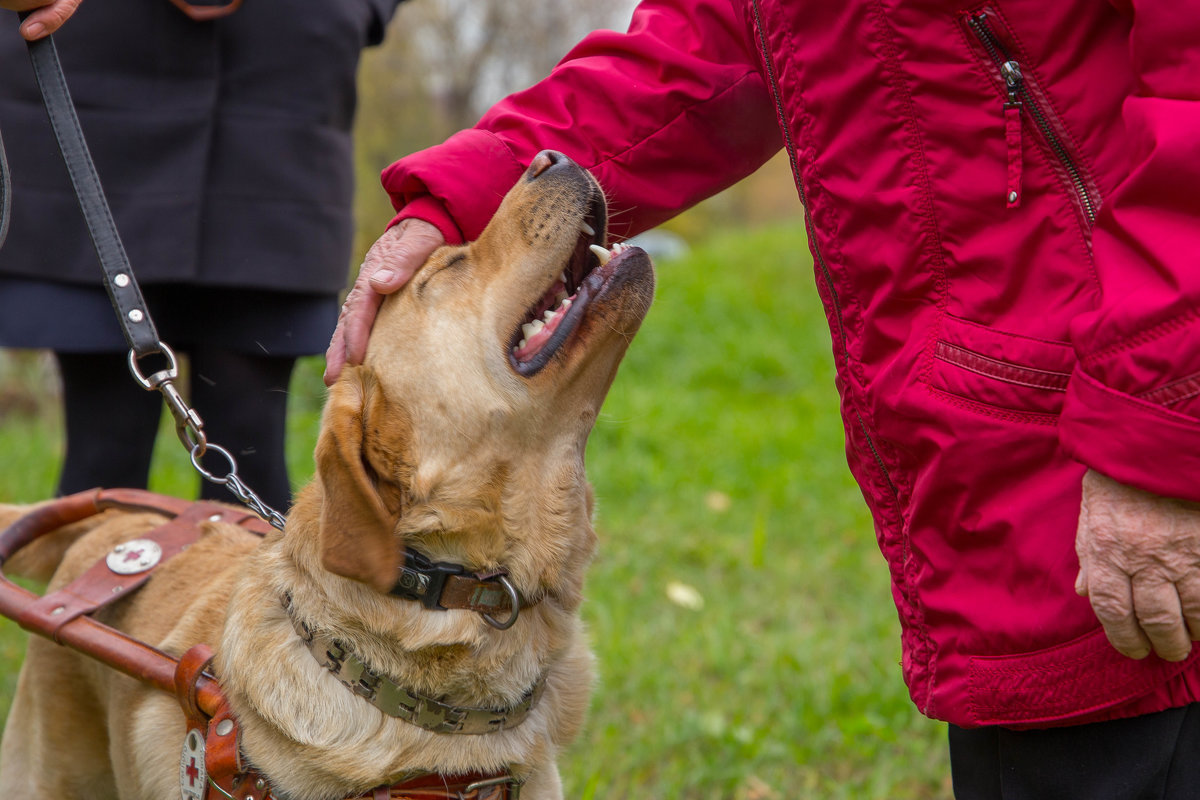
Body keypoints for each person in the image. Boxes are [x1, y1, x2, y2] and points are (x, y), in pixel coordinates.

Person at [326, 1, 1200, 796]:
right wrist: (465, 192)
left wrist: (1158, 415)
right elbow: (706, 56)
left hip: (1109, 420)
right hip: (998, 469)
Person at [0, 0, 407, 512]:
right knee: (102, 449)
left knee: (250, 443)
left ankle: (253, 593)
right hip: (95, 69)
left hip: (281, 83)